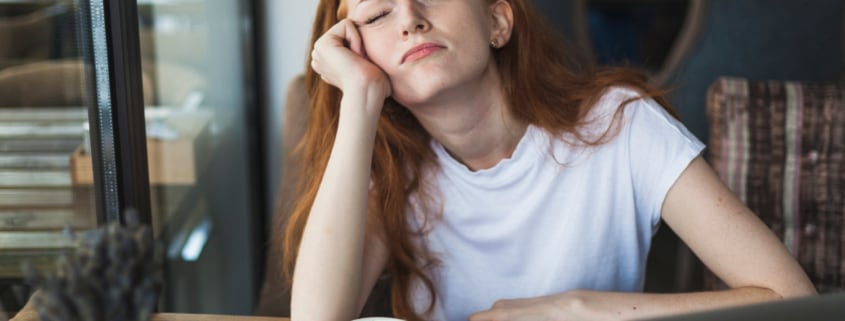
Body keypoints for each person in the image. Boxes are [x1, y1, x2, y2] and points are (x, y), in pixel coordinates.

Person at [278, 0, 817, 320]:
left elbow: (792, 301)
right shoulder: (384, 170)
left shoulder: (622, 125)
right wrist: (361, 99)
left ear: (498, 23)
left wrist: (579, 310)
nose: (412, 18)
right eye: (376, 14)